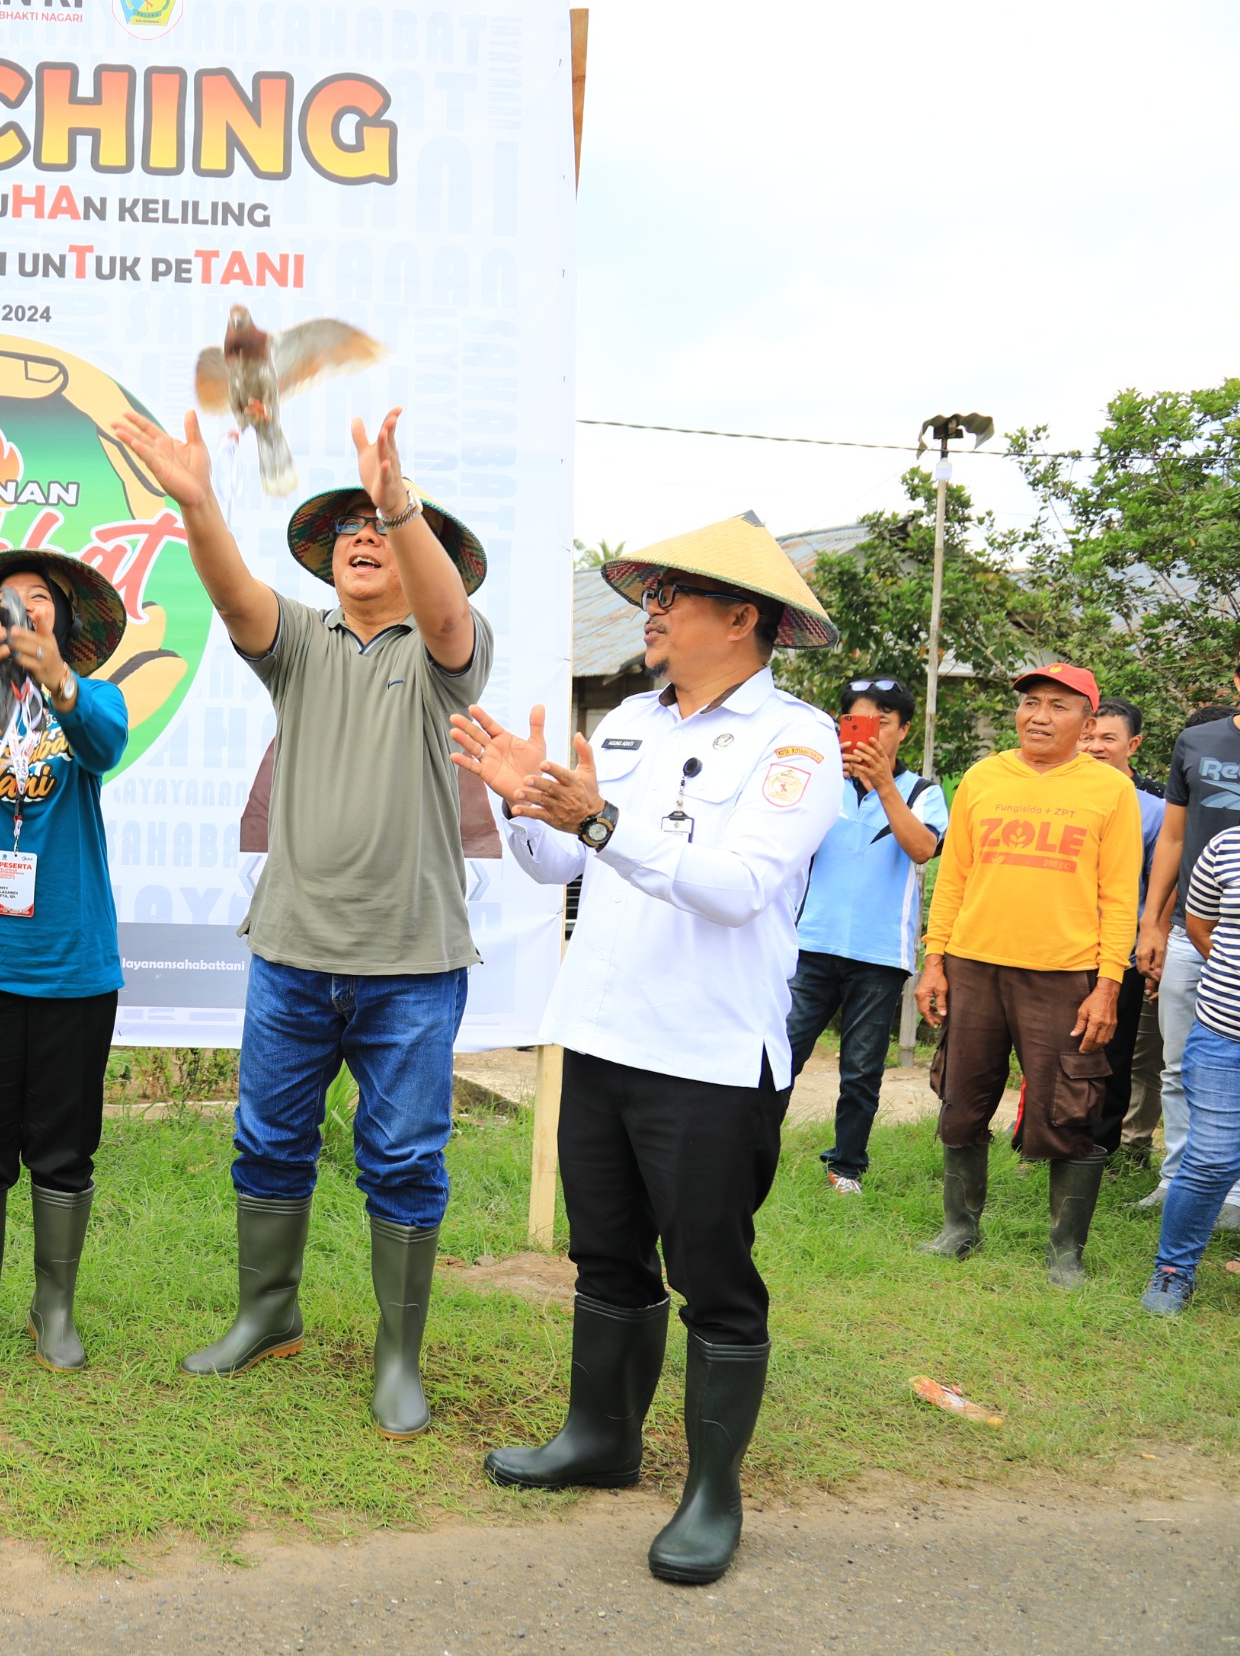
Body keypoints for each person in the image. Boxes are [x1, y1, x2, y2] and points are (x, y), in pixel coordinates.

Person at [453, 511, 839, 1587]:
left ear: (742, 617)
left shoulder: (796, 742)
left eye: (673, 593)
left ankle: (713, 1492)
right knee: (605, 1253)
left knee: (711, 1274)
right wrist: (525, 802)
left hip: (710, 1057)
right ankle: (599, 1436)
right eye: (650, 591)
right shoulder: (626, 719)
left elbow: (738, 887)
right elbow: (553, 863)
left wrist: (599, 818)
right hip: (602, 1034)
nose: (651, 609)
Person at [113, 406, 490, 1436]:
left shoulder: (443, 653)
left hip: (411, 964)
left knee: (405, 1155)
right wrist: (195, 499)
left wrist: (398, 497)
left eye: (382, 527)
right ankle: (265, 1313)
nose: (363, 537)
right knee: (268, 1140)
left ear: (424, 557)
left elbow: (450, 621)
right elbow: (234, 593)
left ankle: (397, 1356)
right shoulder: (299, 645)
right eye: (348, 530)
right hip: (289, 954)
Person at [0, 546, 131, 1373]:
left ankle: (56, 1307)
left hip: (72, 964)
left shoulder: (92, 699)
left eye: (38, 600)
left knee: (65, 1145)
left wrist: (58, 680)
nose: (22, 612)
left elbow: (105, 742)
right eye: (5, 602)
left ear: (63, 622)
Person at [914, 665, 1142, 1286]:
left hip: (1065, 975)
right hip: (975, 965)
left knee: (1069, 1107)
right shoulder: (985, 778)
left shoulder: (1110, 791)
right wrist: (934, 959)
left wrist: (1108, 984)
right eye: (1031, 704)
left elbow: (1120, 897)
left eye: (1058, 707)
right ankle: (959, 1228)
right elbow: (953, 876)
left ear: (1087, 723)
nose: (1039, 716)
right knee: (961, 1098)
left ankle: (1064, 1250)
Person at [782, 678, 946, 1194]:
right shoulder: (818, 784)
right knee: (781, 1049)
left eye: (882, 724)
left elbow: (922, 849)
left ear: (903, 730)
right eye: (854, 724)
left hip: (879, 954)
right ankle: (748, 1145)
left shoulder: (924, 791)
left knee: (860, 1070)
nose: (867, 735)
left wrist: (884, 786)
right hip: (809, 942)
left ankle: (846, 1167)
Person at [1133, 684, 1240, 1225]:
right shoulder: (1197, 742)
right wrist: (1151, 922)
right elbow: (1173, 839)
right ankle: (1175, 1181)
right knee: (1177, 1067)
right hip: (1187, 927)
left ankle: (1235, 1198)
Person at [1142, 819, 1240, 1314]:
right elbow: (1198, 925)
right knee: (1212, 1160)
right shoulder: (1226, 846)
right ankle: (1173, 1270)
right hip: (1226, 1035)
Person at [1082, 698, 1166, 1160]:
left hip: (1121, 950)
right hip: (1061, 946)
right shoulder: (1058, 794)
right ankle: (1037, 1145)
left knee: (1113, 1058)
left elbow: (1159, 886)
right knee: (1049, 1053)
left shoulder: (1153, 809)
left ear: (1132, 744)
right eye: (1088, 736)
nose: (1095, 747)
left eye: (1107, 738)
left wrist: (1152, 945)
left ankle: (1099, 1152)